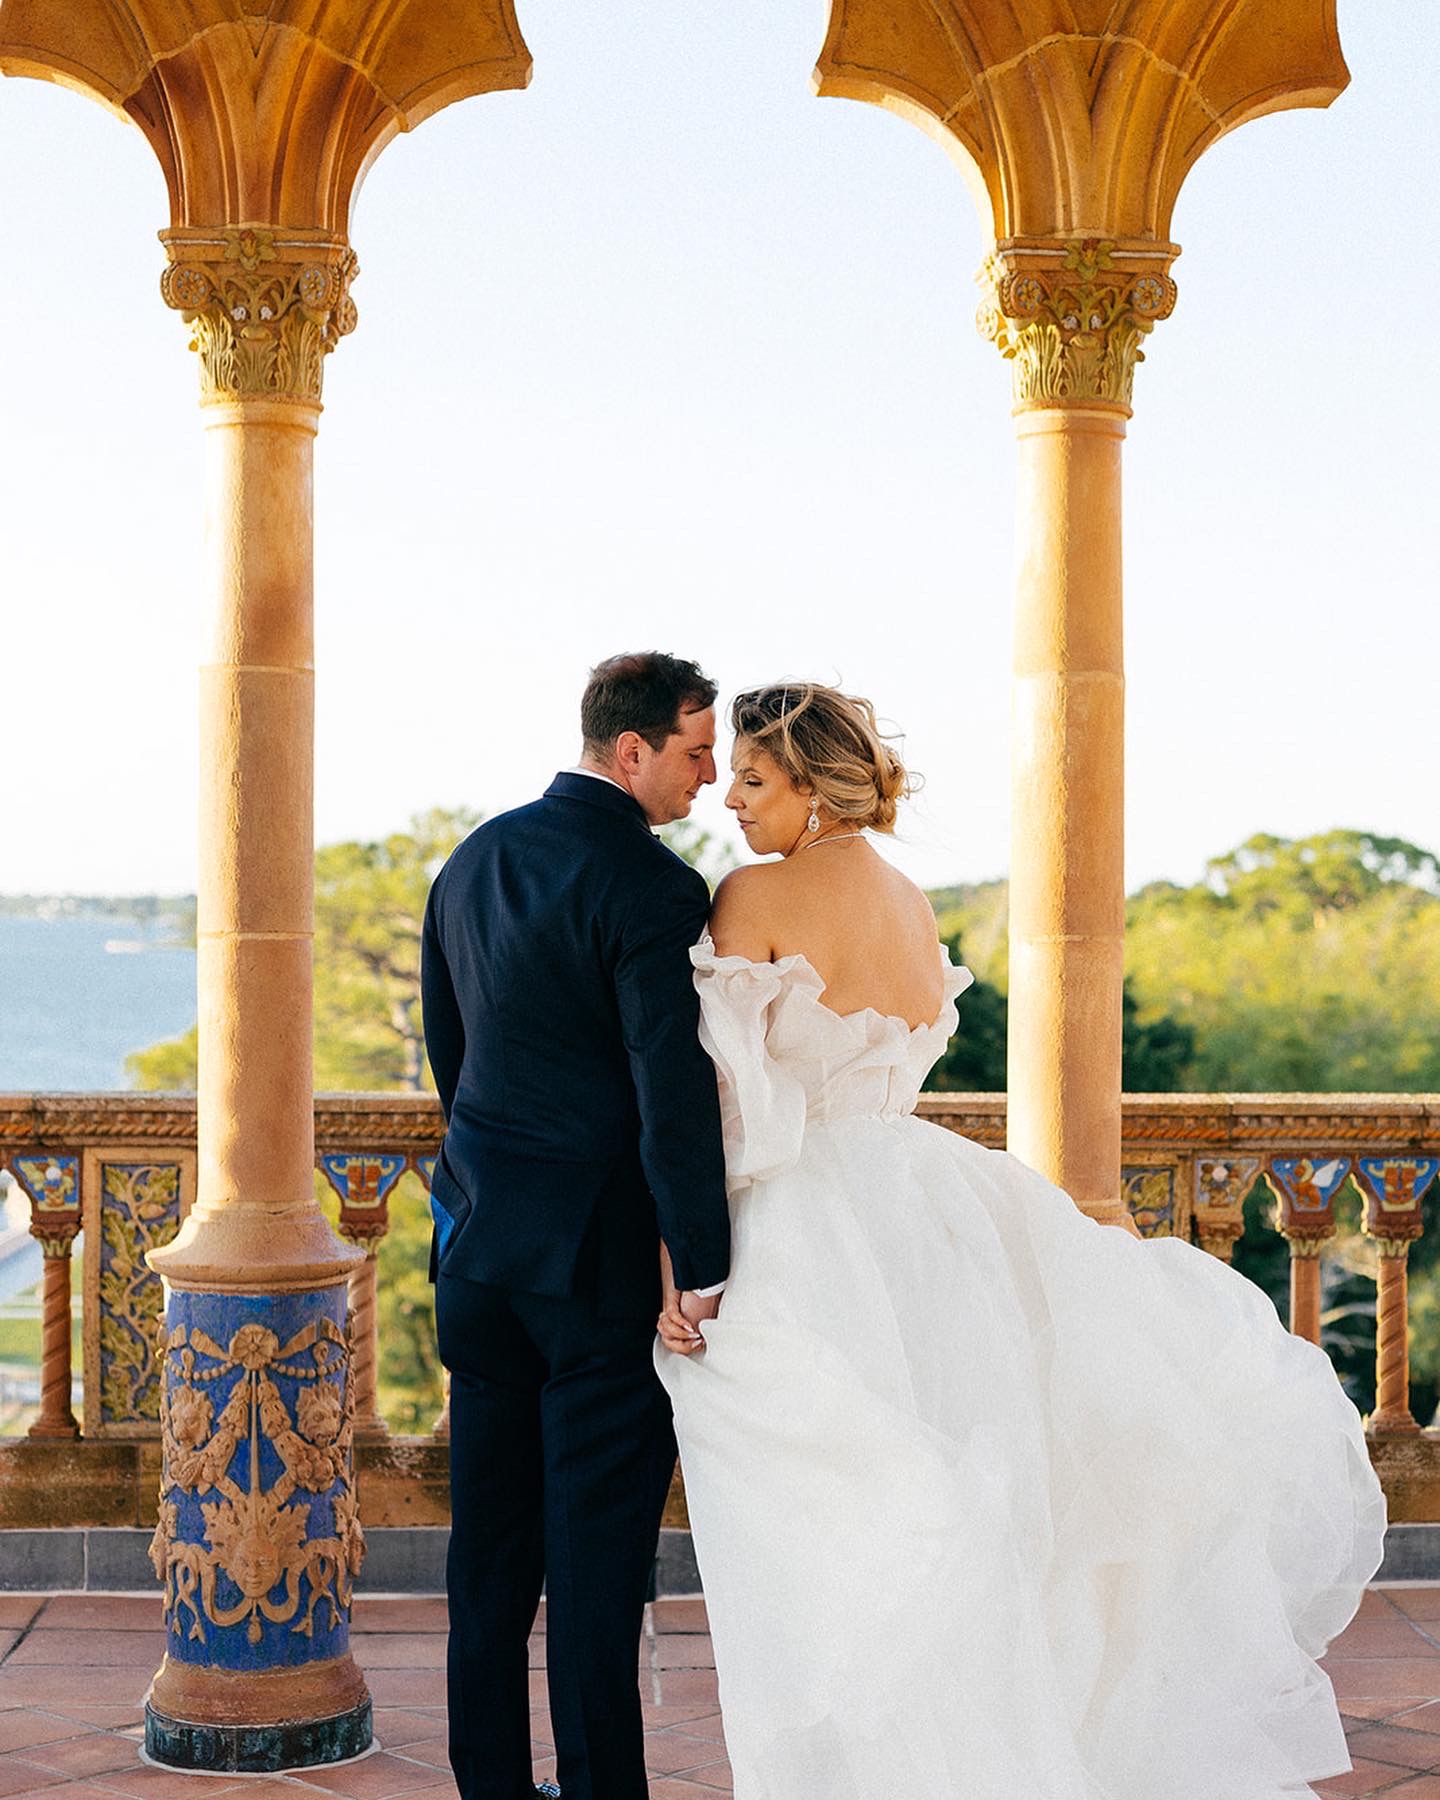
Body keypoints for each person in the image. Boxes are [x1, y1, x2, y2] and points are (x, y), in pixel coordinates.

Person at [656, 680, 1386, 1800]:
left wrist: (682, 1256)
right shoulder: (910, 904)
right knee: (968, 1507)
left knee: (818, 1537)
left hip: (810, 1221)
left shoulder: (752, 895)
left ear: (809, 787)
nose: (734, 805)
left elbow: (734, 1115)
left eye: (753, 781)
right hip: (929, 1211)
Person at [423, 652, 732, 1800]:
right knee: (596, 1575)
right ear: (632, 749)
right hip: (598, 1274)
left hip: (476, 1252)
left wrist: (478, 1192)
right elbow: (672, 1097)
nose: (708, 777)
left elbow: (451, 1062)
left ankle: (492, 1791)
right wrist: (700, 1265)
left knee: (488, 1563)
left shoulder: (473, 859)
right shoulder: (654, 889)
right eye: (695, 753)